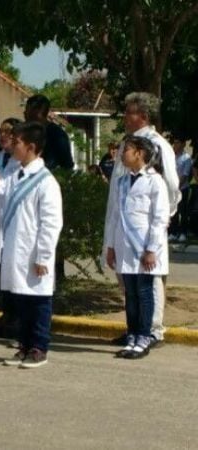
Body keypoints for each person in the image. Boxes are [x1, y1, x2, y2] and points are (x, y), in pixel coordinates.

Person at [104, 92, 180, 347]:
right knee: (129, 283)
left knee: (149, 281)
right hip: (123, 223)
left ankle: (153, 330)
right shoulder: (129, 143)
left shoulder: (156, 145)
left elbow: (170, 184)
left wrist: (165, 216)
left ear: (144, 116)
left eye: (130, 112)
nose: (125, 116)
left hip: (146, 227)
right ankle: (136, 329)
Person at [0, 122, 63, 369]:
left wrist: (42, 256)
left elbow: (51, 223)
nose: (12, 145)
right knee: (21, 300)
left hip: (33, 253)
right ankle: (24, 345)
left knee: (38, 302)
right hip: (15, 251)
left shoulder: (45, 182)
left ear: (30, 147)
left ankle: (39, 347)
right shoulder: (16, 174)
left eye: (17, 142)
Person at [105, 136, 169, 359]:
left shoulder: (154, 182)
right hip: (124, 247)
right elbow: (115, 216)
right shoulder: (122, 182)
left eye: (127, 150)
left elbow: (160, 219)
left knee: (144, 293)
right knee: (130, 294)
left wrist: (152, 249)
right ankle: (132, 334)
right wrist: (111, 246)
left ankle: (144, 336)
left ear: (140, 153)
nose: (122, 154)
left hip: (144, 248)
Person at [0, 118, 22, 339]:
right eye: (0, 131)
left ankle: (16, 318)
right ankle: (7, 316)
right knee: (2, 275)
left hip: (13, 225)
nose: (2, 136)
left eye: (8, 132)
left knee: (13, 275)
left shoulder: (21, 163)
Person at [23, 94, 74, 170]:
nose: (24, 113)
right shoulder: (24, 133)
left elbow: (67, 165)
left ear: (38, 112)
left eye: (27, 109)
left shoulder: (57, 135)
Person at [169, 135, 192, 242]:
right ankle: (173, 232)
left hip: (182, 188)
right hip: (172, 188)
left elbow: (185, 174)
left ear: (183, 145)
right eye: (175, 143)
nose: (175, 145)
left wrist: (177, 186)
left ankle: (183, 233)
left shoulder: (186, 158)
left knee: (183, 211)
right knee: (174, 211)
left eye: (178, 142)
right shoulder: (171, 156)